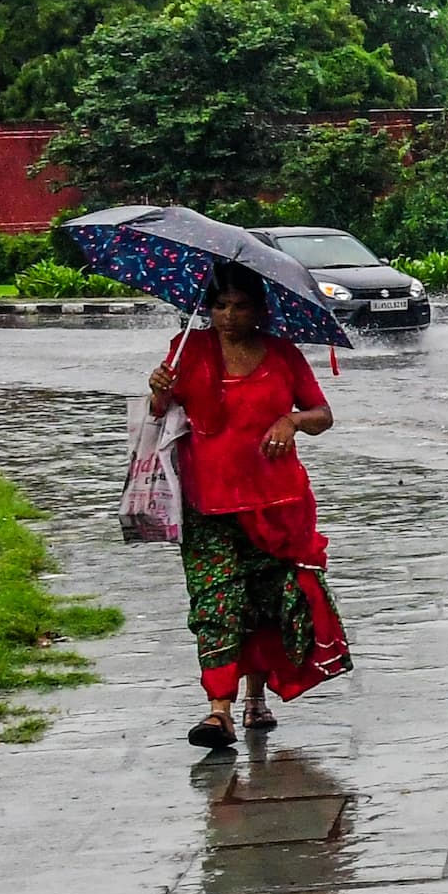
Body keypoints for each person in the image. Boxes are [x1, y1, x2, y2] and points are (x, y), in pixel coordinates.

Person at [148, 262, 348, 748]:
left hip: (277, 505)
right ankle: (219, 710)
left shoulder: (283, 355)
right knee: (216, 600)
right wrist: (158, 392)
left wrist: (291, 421)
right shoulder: (186, 351)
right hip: (207, 503)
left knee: (263, 602)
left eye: (239, 306)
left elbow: (323, 415)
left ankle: (257, 700)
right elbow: (160, 414)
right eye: (219, 306)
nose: (228, 316)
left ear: (260, 309)